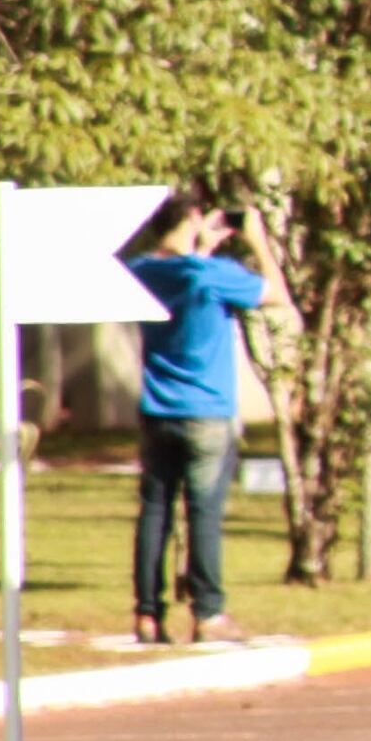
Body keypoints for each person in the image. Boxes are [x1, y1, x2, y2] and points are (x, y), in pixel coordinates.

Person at [128, 197, 270, 645]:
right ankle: (208, 614)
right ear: (192, 219)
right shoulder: (212, 276)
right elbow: (275, 296)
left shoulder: (140, 271)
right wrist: (257, 241)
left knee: (155, 512)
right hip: (207, 411)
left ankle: (147, 615)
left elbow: (182, 277)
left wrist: (200, 247)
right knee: (203, 516)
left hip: (157, 409)